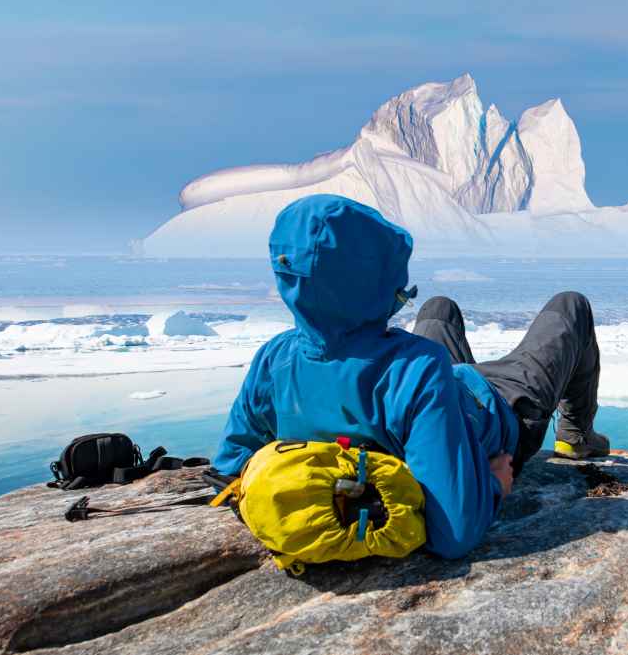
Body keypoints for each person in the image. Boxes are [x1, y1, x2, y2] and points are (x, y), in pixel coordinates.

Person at [213, 194, 607, 559]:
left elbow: (232, 466)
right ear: (375, 281)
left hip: (449, 389)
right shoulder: (416, 367)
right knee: (571, 306)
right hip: (501, 407)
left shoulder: (274, 358)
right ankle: (575, 437)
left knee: (439, 308)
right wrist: (493, 484)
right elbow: (455, 533)